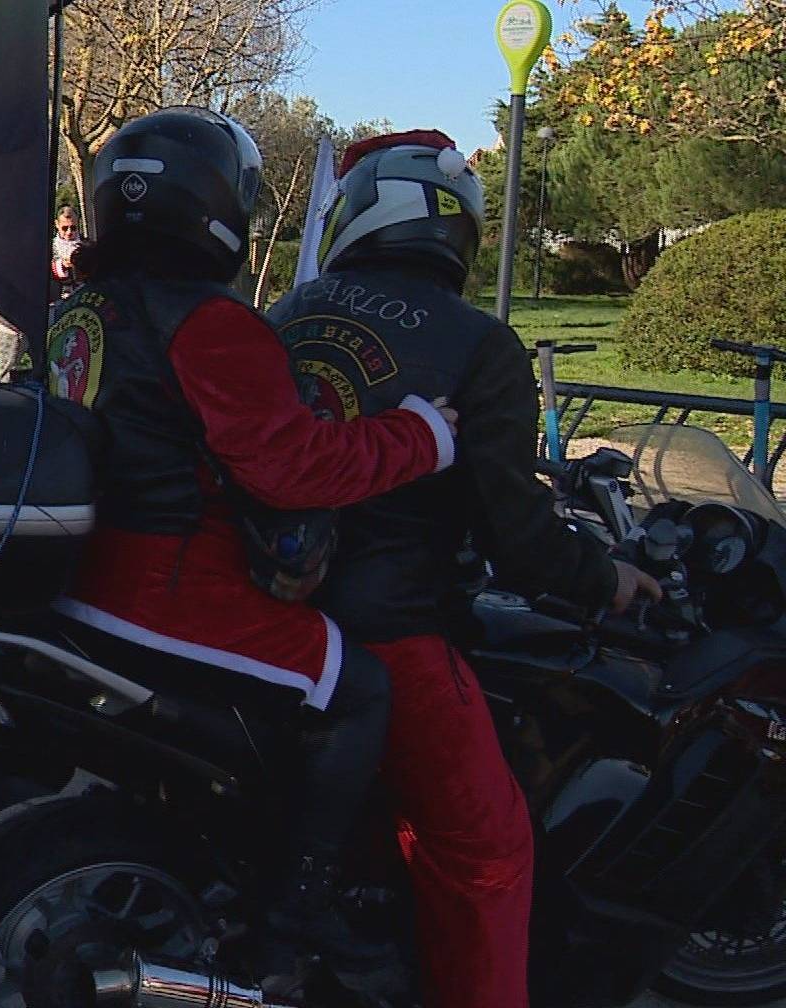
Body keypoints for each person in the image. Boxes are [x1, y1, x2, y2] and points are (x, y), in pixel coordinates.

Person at [43, 108, 459, 974]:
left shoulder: (80, 309)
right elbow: (292, 468)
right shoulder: (211, 322)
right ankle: (297, 911)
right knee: (357, 687)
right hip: (172, 587)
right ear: (213, 203)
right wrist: (425, 434)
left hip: (83, 574)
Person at [266, 130, 659, 1008]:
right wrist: (607, 580)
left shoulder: (284, 316)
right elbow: (517, 534)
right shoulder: (478, 343)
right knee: (487, 850)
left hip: (263, 613)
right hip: (389, 629)